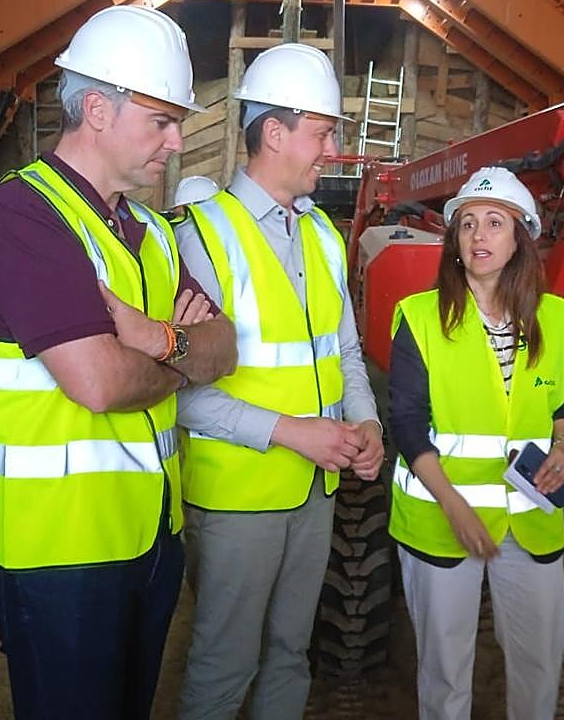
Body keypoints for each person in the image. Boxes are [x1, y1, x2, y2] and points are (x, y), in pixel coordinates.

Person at [0, 4, 237, 720]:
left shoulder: (150, 232)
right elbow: (100, 382)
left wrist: (157, 340)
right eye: (162, 120)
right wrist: (180, 350)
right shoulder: (23, 216)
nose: (177, 141)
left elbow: (225, 347)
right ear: (99, 110)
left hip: (148, 537)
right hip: (56, 550)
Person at [175, 42, 384, 720]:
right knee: (224, 662)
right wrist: (295, 433)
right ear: (274, 132)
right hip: (238, 498)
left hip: (315, 489)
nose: (331, 150)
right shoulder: (203, 236)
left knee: (292, 653)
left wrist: (367, 422)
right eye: (322, 133)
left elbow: (344, 350)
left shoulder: (322, 234)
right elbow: (183, 395)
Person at [387, 167, 564, 720]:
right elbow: (406, 422)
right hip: (441, 520)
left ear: (521, 238)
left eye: (495, 223)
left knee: (540, 659)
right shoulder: (421, 318)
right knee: (446, 669)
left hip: (531, 517)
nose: (479, 235)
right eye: (468, 223)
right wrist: (455, 506)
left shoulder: (559, 320)